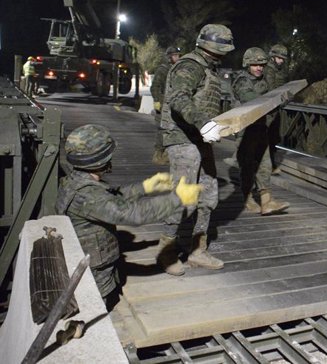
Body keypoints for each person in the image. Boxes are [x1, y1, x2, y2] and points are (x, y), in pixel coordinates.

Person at [56, 124, 202, 310]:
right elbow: (133, 214)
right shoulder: (87, 195)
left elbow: (112, 198)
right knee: (97, 307)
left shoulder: (75, 181)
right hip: (92, 274)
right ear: (102, 159)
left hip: (90, 261)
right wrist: (178, 198)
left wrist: (147, 186)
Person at [157, 24, 234, 275]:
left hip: (199, 138)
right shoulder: (190, 66)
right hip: (182, 138)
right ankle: (166, 252)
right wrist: (203, 123)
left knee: (208, 194)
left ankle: (196, 249)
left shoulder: (208, 68)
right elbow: (179, 98)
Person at [233, 47, 289, 215]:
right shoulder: (241, 80)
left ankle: (267, 201)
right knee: (248, 165)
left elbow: (272, 97)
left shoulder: (264, 79)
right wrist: (271, 101)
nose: (259, 68)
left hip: (260, 127)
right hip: (246, 129)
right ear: (247, 64)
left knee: (265, 165)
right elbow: (248, 98)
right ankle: (247, 198)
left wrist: (281, 99)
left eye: (262, 65)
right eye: (255, 65)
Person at [150, 46, 182, 165]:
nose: (177, 57)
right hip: (163, 104)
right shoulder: (163, 70)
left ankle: (167, 155)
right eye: (175, 55)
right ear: (169, 57)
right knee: (162, 130)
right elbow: (155, 86)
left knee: (172, 130)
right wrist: (157, 100)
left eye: (178, 55)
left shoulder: (177, 69)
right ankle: (158, 155)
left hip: (173, 105)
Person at [264, 43, 290, 174]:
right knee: (265, 138)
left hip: (276, 108)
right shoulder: (268, 70)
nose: (281, 61)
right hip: (267, 109)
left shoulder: (281, 70)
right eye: (279, 58)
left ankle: (272, 165)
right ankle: (267, 166)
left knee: (273, 138)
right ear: (273, 57)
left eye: (283, 59)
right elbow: (270, 89)